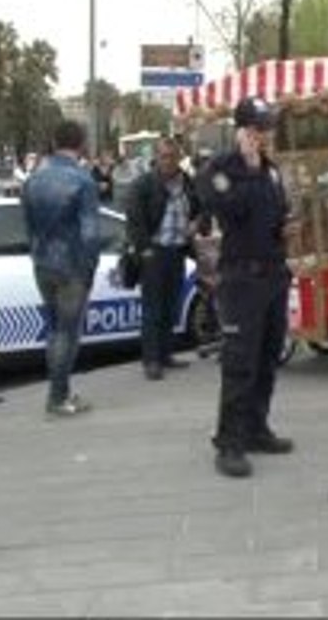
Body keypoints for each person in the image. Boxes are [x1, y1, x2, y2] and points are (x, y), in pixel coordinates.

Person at [196, 97, 294, 479]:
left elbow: (271, 213)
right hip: (241, 278)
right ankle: (229, 441)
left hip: (272, 273)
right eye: (256, 128)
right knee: (240, 363)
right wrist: (250, 170)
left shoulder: (270, 170)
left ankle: (256, 427)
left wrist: (284, 227)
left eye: (267, 128)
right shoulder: (220, 169)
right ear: (240, 130)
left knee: (268, 356)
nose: (263, 135)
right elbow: (231, 210)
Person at [21, 121, 100, 417]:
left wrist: (36, 255)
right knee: (67, 332)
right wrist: (88, 269)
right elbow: (90, 233)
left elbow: (28, 227)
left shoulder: (34, 178)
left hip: (43, 263)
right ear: (80, 144)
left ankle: (60, 392)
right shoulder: (83, 181)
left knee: (54, 330)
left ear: (54, 141)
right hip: (72, 266)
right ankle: (58, 396)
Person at [126, 137, 201, 381]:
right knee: (153, 309)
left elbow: (200, 207)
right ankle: (151, 360)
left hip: (177, 250)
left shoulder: (186, 181)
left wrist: (197, 223)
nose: (169, 161)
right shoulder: (144, 184)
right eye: (164, 156)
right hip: (154, 253)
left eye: (173, 156)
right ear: (156, 158)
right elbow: (134, 221)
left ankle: (166, 354)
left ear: (179, 157)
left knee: (171, 305)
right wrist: (144, 250)